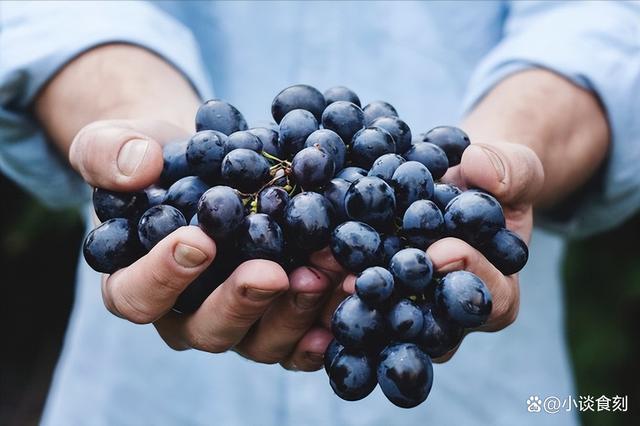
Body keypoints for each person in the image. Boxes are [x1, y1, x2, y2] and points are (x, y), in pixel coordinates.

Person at [1, 1, 638, 425]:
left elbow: (599, 22)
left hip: (488, 387)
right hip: (149, 394)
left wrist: (509, 147)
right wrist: (139, 131)